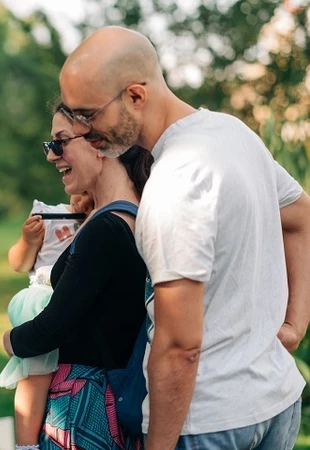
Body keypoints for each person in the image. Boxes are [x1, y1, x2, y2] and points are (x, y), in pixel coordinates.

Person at [57, 26, 310, 450]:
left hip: (207, 422)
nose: (81, 133)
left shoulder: (174, 184)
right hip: (276, 402)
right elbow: (302, 216)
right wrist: (295, 322)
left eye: (88, 115)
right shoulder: (232, 133)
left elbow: (179, 346)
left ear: (136, 96)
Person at [2, 107, 153, 450]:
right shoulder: (137, 218)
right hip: (116, 397)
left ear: (99, 143)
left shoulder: (105, 229)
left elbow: (50, 329)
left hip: (84, 409)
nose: (52, 156)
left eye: (60, 142)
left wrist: (10, 340)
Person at [0, 193, 93, 446]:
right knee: (35, 375)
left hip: (74, 302)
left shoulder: (107, 217)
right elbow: (19, 263)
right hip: (41, 297)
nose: (83, 198)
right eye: (81, 192)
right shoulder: (50, 214)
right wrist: (27, 240)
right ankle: (27, 443)